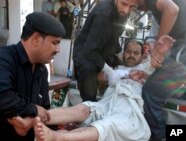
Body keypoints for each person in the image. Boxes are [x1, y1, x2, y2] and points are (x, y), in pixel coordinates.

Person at [31, 36, 174, 141]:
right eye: (128, 51)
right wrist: (123, 73)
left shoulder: (146, 67)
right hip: (106, 104)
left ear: (142, 55)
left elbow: (159, 67)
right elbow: (100, 78)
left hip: (128, 110)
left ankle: (57, 137)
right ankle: (35, 119)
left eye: (136, 53)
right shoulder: (117, 68)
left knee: (106, 125)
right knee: (83, 108)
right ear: (123, 53)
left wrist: (157, 51)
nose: (131, 55)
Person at [0, 12, 66, 141]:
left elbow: (44, 111)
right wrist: (33, 109)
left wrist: (32, 121)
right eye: (55, 43)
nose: (58, 49)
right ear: (36, 39)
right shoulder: (1, 59)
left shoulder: (41, 70)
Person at [136, 0, 186, 140]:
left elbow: (171, 10)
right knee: (173, 93)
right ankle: (174, 134)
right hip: (180, 51)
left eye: (133, 4)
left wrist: (159, 47)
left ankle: (159, 137)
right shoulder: (156, 12)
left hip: (182, 51)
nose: (135, 7)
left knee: (150, 94)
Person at [72, 0, 138, 102]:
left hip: (102, 52)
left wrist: (122, 55)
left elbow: (113, 38)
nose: (126, 10)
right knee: (89, 97)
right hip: (85, 53)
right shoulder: (102, 15)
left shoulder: (123, 12)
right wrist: (108, 71)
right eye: (124, 4)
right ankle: (89, 106)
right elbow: (90, 50)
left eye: (131, 6)